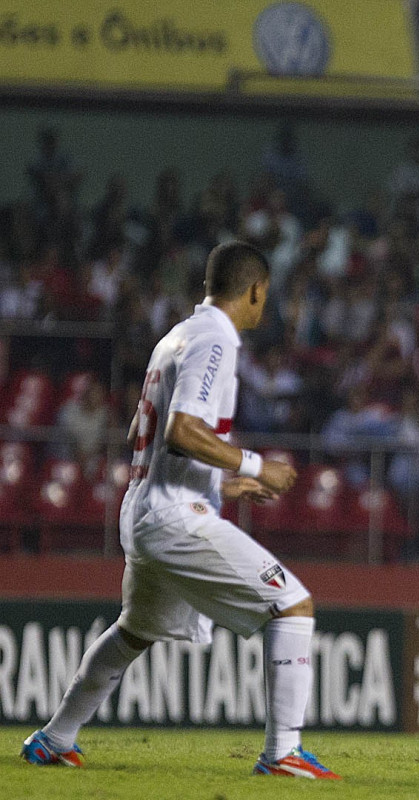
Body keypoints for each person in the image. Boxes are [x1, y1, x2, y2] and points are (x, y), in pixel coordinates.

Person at [20, 241, 340, 779]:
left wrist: (226, 487)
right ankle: (282, 752)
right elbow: (182, 431)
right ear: (256, 290)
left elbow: (141, 433)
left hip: (145, 505)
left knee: (134, 632)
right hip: (173, 516)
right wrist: (259, 465)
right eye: (267, 295)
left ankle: (54, 738)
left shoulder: (176, 336)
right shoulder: (216, 338)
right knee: (293, 605)